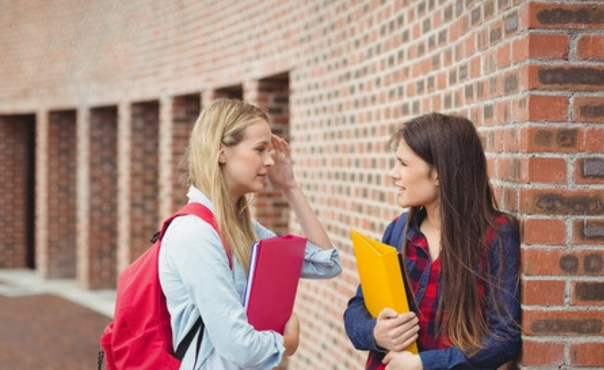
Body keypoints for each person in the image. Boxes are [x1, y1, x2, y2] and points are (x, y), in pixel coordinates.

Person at [158, 98, 342, 370]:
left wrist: (290, 186)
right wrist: (287, 342)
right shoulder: (194, 234)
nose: (270, 160)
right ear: (221, 152)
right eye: (260, 149)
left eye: (269, 150)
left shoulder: (243, 228)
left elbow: (327, 264)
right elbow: (238, 347)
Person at [344, 112, 521, 370]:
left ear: (438, 173)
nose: (394, 173)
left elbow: (504, 337)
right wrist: (374, 332)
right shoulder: (398, 230)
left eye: (403, 164)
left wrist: (423, 364)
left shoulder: (496, 236)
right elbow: (358, 306)